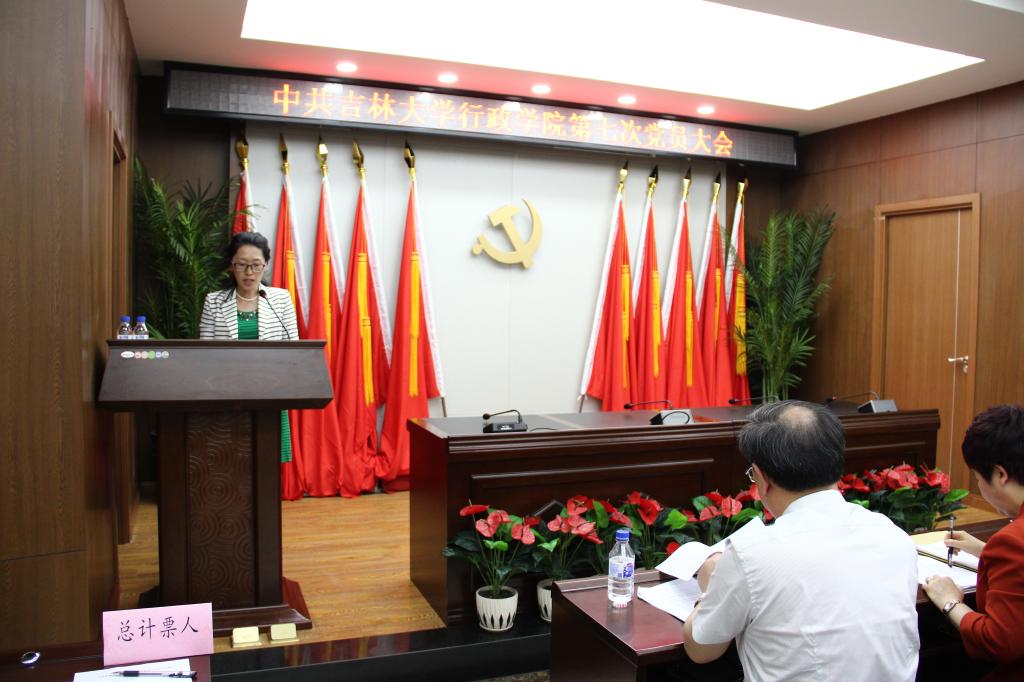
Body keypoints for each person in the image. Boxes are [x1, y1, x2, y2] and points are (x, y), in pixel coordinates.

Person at [682, 400, 920, 682]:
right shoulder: (892, 535)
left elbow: (701, 650)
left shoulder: (752, 553)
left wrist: (710, 588)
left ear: (762, 478)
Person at [922, 404, 1024, 679]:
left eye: (978, 478)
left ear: (1000, 474)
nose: (979, 486)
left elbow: (999, 642)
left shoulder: (1013, 542)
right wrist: (987, 551)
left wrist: (949, 602)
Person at [200, 231, 300, 465]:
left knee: (267, 459)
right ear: (231, 265)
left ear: (265, 265)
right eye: (242, 264)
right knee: (230, 459)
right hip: (227, 394)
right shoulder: (214, 301)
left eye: (256, 265)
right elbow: (204, 355)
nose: (249, 272)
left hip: (270, 393)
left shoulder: (280, 299)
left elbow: (294, 351)